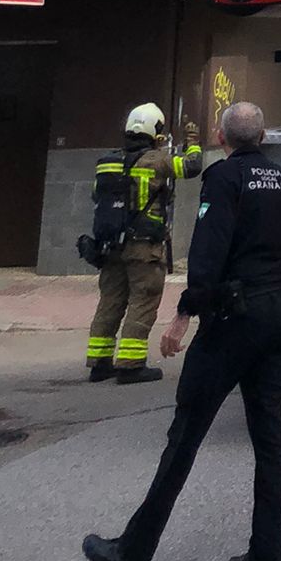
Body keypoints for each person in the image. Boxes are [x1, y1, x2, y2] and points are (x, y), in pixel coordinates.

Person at [82, 101, 281, 561]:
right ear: (264, 136)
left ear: (224, 140)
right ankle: (268, 555)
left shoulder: (224, 180)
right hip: (277, 320)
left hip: (231, 320)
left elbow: (208, 252)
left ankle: (133, 554)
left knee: (184, 436)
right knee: (269, 437)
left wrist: (183, 315)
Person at [85, 103, 202, 384]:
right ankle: (131, 364)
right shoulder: (158, 161)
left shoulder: (106, 162)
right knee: (143, 301)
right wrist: (193, 142)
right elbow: (192, 167)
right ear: (154, 131)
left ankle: (99, 363)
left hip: (110, 246)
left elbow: (95, 198)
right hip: (144, 248)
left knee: (110, 302)